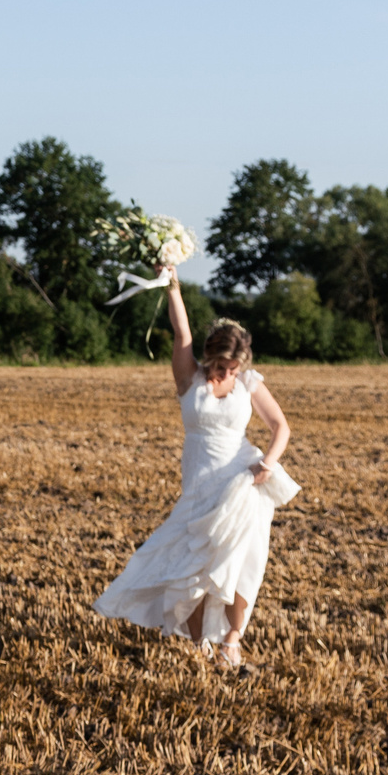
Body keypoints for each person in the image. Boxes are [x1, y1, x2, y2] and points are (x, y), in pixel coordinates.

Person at [92, 276, 294, 668]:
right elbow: (180, 328)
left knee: (240, 566)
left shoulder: (250, 384)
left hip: (241, 483)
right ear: (207, 355)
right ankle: (201, 643)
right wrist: (172, 284)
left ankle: (232, 642)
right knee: (192, 569)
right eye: (219, 365)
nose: (224, 374)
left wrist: (268, 463)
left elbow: (280, 427)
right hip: (200, 486)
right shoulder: (189, 378)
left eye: (232, 369)